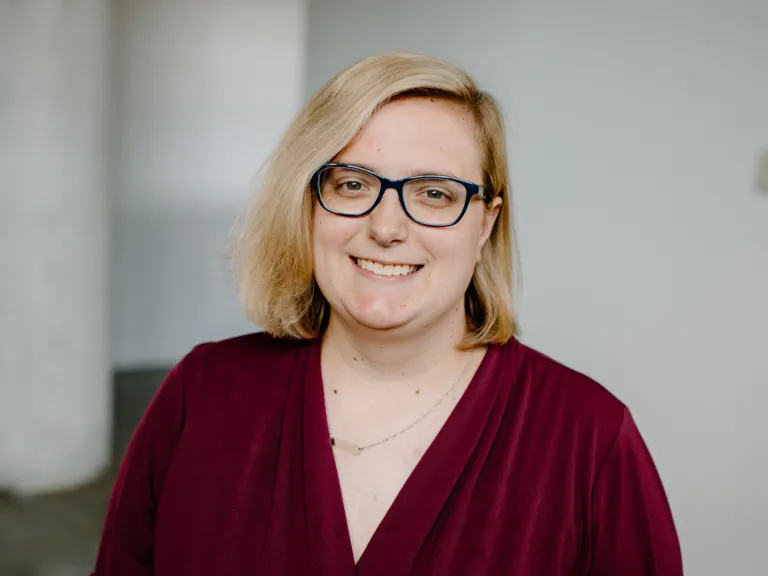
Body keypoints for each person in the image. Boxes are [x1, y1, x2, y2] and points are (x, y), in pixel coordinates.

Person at [93, 53, 683, 575]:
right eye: (352, 184)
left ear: (486, 224)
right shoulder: (203, 392)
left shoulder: (591, 439)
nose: (386, 227)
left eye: (434, 194)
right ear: (308, 204)